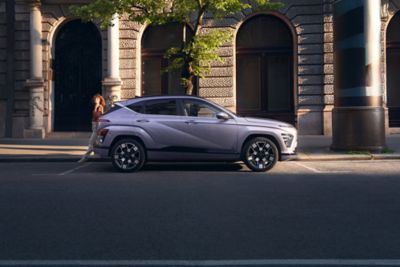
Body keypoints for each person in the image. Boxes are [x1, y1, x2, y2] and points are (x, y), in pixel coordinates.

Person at [78, 94, 106, 163]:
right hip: (94, 126)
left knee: (91, 143)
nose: (95, 100)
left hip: (96, 126)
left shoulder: (100, 107)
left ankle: (84, 158)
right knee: (95, 144)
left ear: (100, 100)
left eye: (97, 99)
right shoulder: (96, 107)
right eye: (95, 99)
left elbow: (97, 116)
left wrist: (95, 108)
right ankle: (102, 154)